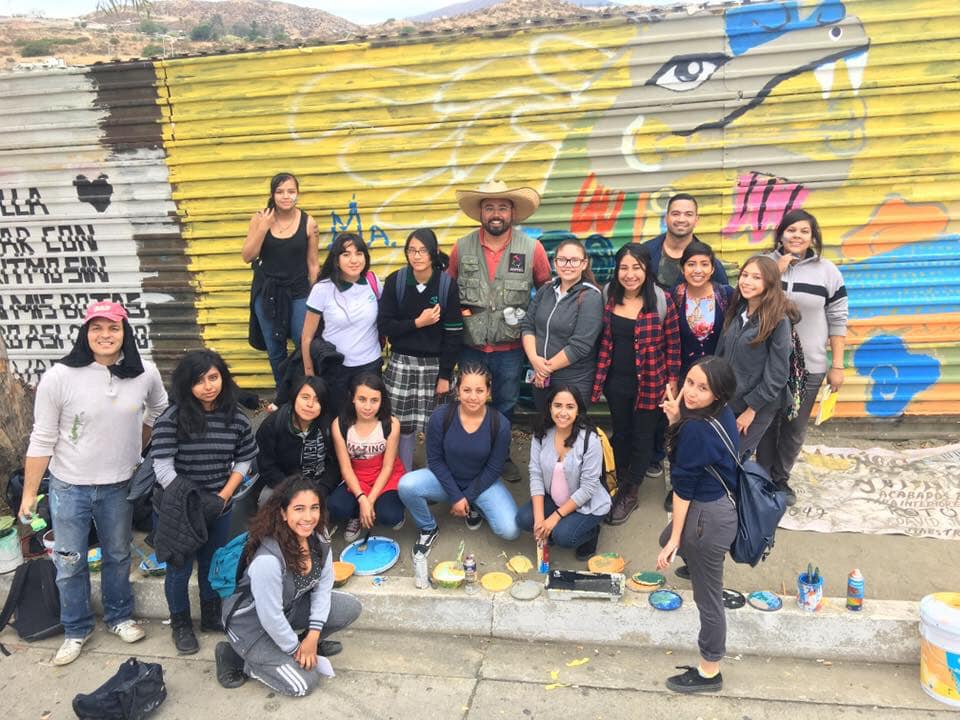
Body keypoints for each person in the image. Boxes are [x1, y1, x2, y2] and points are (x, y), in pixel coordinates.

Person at [20, 301, 167, 666]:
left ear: (125, 333)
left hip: (120, 486)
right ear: (85, 333)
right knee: (69, 562)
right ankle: (76, 628)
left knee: (118, 555)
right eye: (96, 328)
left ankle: (119, 616)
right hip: (69, 487)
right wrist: (28, 494)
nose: (105, 335)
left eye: (113, 328)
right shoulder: (60, 377)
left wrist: (137, 445)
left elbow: (161, 411)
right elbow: (42, 438)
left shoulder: (144, 373)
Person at [152, 349, 258, 655]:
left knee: (214, 563)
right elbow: (162, 468)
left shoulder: (235, 417)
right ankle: (181, 624)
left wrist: (223, 496)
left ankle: (211, 616)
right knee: (179, 568)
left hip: (218, 505)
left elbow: (244, 459)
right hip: (176, 508)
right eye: (199, 381)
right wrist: (192, 501)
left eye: (214, 378)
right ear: (186, 385)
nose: (208, 386)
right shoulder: (171, 419)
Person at [217, 476, 362, 696]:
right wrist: (295, 649)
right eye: (299, 509)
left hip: (287, 610)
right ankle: (240, 658)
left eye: (314, 508)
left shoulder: (320, 538)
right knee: (304, 684)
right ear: (284, 513)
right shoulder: (268, 560)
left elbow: (323, 588)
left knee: (350, 607)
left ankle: (302, 649)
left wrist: (312, 637)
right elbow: (270, 616)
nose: (308, 517)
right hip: (251, 626)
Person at [448, 180, 552, 482]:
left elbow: (546, 294)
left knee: (505, 405)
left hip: (510, 348)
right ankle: (468, 458)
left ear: (512, 213)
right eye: (489, 207)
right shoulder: (461, 247)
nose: (496, 214)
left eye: (502, 208)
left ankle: (500, 456)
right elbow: (449, 290)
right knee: (468, 403)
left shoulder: (533, 249)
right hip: (471, 346)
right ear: (481, 212)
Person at [656, 356, 739, 693]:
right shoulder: (719, 415)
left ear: (717, 394)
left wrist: (675, 539)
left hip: (707, 517)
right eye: (690, 382)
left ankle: (710, 671)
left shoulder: (695, 429)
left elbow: (683, 488)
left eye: (702, 388)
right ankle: (698, 562)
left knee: (708, 599)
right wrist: (677, 418)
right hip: (718, 506)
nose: (690, 392)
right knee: (671, 538)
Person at [758, 209, 848, 505]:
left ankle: (780, 479)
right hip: (767, 363)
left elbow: (837, 318)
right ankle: (761, 477)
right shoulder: (765, 264)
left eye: (804, 231)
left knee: (794, 427)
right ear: (780, 233)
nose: (796, 236)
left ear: (813, 237)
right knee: (766, 423)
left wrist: (837, 365)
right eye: (791, 230)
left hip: (809, 364)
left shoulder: (828, 271)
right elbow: (749, 303)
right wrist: (777, 273)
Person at [642, 193, 729, 479]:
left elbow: (744, 305)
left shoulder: (717, 279)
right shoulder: (649, 253)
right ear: (666, 217)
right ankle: (660, 458)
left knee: (698, 420)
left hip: (709, 365)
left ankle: (697, 470)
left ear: (696, 219)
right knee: (665, 413)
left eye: (688, 213)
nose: (681, 219)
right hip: (664, 355)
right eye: (675, 213)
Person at [592, 244, 680, 524]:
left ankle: (631, 492)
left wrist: (672, 383)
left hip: (651, 382)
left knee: (643, 437)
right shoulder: (609, 295)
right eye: (624, 268)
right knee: (622, 432)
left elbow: (673, 345)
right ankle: (616, 481)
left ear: (647, 270)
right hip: (616, 381)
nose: (630, 274)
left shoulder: (662, 299)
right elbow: (603, 339)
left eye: (636, 268)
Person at [398, 363, 519, 552]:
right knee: (406, 485)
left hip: (482, 484)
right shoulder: (441, 416)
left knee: (511, 530)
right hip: (444, 480)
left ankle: (473, 507)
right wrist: (456, 496)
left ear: (488, 392)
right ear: (457, 390)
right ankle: (428, 528)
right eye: (467, 390)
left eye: (480, 390)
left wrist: (466, 497)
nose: (473, 397)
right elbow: (435, 461)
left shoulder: (499, 424)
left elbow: (494, 469)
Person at [378, 228, 463, 471]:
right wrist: (418, 322)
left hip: (435, 366)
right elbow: (385, 325)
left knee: (435, 425)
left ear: (433, 253)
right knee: (401, 425)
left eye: (423, 251)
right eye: (411, 250)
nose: (416, 256)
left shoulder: (446, 285)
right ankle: (402, 474)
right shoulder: (397, 281)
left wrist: (445, 375)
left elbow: (454, 334)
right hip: (402, 363)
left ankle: (431, 476)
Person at [665, 241, 734, 511]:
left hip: (715, 379)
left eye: (704, 263)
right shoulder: (675, 295)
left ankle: (712, 483)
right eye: (691, 264)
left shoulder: (725, 294)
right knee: (680, 429)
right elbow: (669, 337)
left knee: (711, 430)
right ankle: (678, 486)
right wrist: (672, 377)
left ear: (713, 267)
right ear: (682, 268)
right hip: (686, 377)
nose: (698, 269)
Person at [242, 172, 320, 385]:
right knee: (275, 349)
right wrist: (263, 228)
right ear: (272, 194)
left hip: (299, 293)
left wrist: (316, 298)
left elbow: (313, 264)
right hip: (267, 293)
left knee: (304, 344)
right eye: (280, 191)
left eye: (291, 191)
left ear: (298, 194)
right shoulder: (260, 218)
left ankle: (307, 391)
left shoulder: (308, 222)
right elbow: (247, 256)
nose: (286, 196)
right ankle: (283, 394)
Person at [516, 386, 611, 561]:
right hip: (555, 498)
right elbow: (535, 474)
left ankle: (592, 532)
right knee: (524, 519)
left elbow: (588, 489)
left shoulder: (590, 439)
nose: (563, 412)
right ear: (549, 407)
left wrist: (554, 518)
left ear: (578, 410)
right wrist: (539, 520)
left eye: (570, 406)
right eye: (558, 405)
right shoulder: (541, 433)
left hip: (587, 503)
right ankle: (558, 526)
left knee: (563, 537)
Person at [716, 255, 796, 458]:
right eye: (744, 275)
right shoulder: (738, 311)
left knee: (734, 458)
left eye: (756, 277)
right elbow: (722, 355)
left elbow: (777, 374)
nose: (747, 282)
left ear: (770, 282)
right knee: (720, 454)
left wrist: (752, 410)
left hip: (757, 405)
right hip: (730, 399)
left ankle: (737, 491)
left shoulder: (778, 320)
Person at [301, 232, 382, 418]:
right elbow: (307, 336)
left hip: (370, 365)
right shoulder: (323, 289)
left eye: (359, 253)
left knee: (367, 418)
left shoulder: (372, 282)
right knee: (338, 419)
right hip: (336, 368)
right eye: (346, 254)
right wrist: (309, 372)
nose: (354, 260)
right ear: (336, 260)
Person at [521, 238, 603, 411]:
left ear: (584, 264)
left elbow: (580, 346)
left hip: (573, 381)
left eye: (574, 260)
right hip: (541, 378)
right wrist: (535, 361)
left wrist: (544, 369)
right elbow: (528, 325)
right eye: (562, 260)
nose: (568, 265)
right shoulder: (545, 290)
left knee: (569, 431)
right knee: (544, 426)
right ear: (555, 263)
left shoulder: (590, 297)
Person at [327, 374, 406, 542]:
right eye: (362, 399)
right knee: (335, 507)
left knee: (389, 516)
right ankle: (356, 515)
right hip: (357, 475)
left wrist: (369, 500)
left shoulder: (391, 424)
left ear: (382, 400)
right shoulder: (340, 424)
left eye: (374, 400)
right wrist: (362, 499)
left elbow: (387, 467)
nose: (368, 407)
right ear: (352, 398)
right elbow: (346, 468)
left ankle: (375, 508)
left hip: (385, 475)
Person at [255, 376, 340, 505]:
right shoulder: (273, 425)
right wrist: (293, 490)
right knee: (267, 500)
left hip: (319, 481)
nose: (310, 404)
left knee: (335, 505)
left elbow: (336, 462)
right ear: (294, 397)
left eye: (317, 400)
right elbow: (267, 466)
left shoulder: (329, 424)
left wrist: (323, 489)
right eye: (305, 397)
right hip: (286, 482)